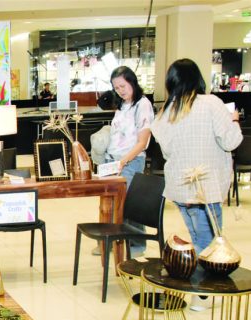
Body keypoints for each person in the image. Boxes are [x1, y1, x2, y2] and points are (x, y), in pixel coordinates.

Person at [151, 58, 242, 254]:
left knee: (199, 241)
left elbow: (166, 152)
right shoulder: (211, 103)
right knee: (209, 249)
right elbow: (231, 142)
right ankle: (200, 283)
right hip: (205, 190)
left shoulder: (166, 111)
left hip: (180, 188)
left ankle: (195, 278)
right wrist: (234, 121)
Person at [94, 66, 154, 258]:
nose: (120, 90)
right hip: (112, 160)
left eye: (123, 85)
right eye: (116, 87)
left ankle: (136, 244)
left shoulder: (142, 105)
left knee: (128, 204)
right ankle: (108, 241)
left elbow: (142, 142)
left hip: (130, 161)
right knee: (109, 202)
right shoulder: (122, 106)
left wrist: (124, 161)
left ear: (132, 82)